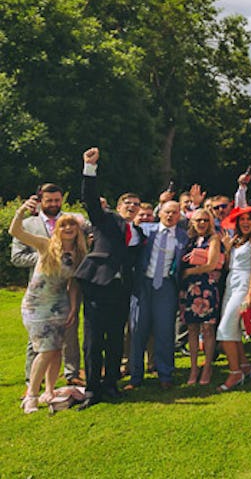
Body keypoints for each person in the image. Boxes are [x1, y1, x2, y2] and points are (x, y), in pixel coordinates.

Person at [74, 147, 145, 410]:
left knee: (116, 338)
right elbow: (90, 199)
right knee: (93, 341)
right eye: (128, 204)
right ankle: (92, 389)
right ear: (118, 206)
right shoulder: (105, 220)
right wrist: (89, 168)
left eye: (136, 205)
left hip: (122, 290)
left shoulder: (139, 233)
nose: (132, 207)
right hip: (96, 285)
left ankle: (111, 383)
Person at [10, 198, 86, 413]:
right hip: (36, 306)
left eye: (72, 224)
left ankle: (49, 391)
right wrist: (21, 212)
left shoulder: (80, 254)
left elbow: (73, 285)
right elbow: (16, 232)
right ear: (58, 229)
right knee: (44, 350)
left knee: (56, 351)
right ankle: (32, 396)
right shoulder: (45, 245)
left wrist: (72, 308)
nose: (68, 228)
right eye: (63, 224)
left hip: (60, 305)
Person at [126, 201, 190, 390]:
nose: (170, 216)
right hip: (142, 284)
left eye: (175, 213)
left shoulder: (183, 237)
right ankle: (135, 377)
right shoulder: (146, 230)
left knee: (165, 331)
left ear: (179, 216)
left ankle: (165, 374)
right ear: (159, 213)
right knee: (138, 330)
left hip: (166, 286)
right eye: (167, 212)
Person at [216, 208, 251, 392]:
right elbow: (229, 264)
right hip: (231, 282)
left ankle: (235, 372)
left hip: (244, 285)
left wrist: (250, 293)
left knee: (225, 330)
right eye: (242, 219)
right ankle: (244, 365)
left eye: (249, 219)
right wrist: (228, 248)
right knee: (232, 329)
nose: (245, 223)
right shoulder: (236, 240)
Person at [178, 208, 222, 386]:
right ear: (192, 222)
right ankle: (194, 367)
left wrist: (190, 271)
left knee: (207, 329)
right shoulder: (188, 240)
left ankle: (207, 367)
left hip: (206, 288)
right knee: (192, 329)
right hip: (188, 289)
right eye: (198, 220)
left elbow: (212, 264)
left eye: (205, 220)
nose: (202, 223)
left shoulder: (214, 239)